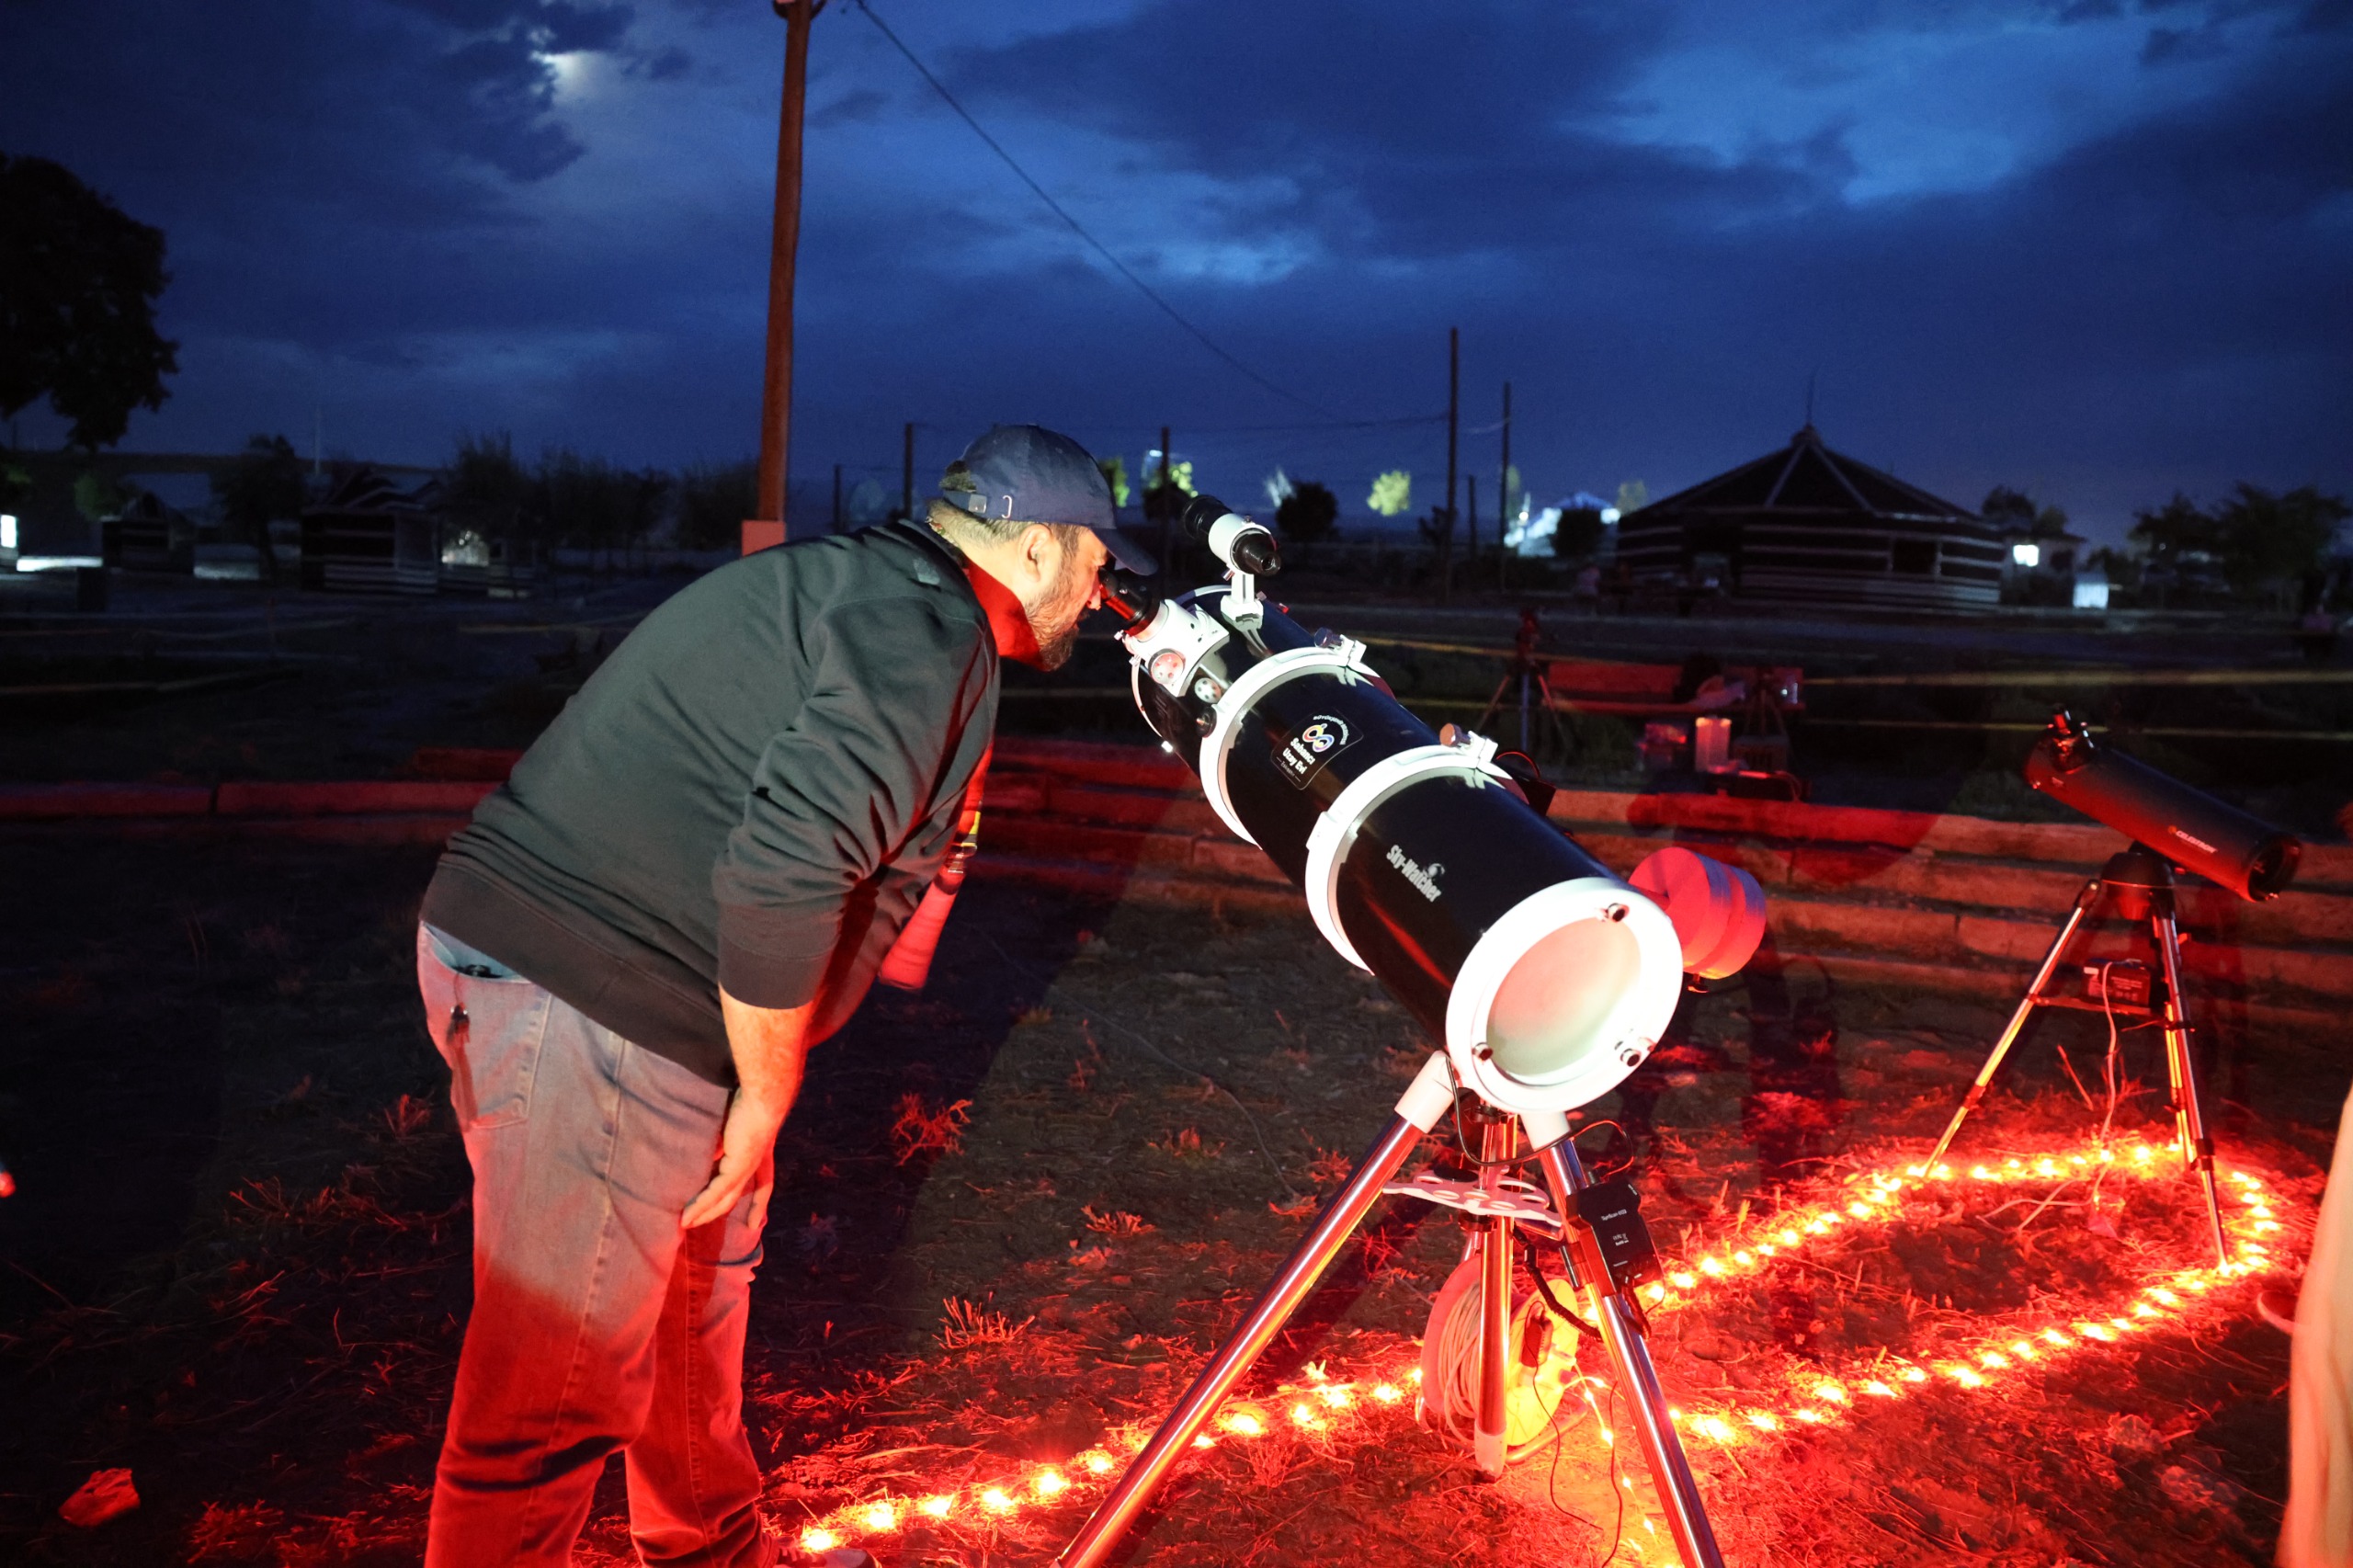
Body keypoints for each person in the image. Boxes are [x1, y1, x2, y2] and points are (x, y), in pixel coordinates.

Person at [412, 426, 1152, 1566]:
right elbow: (788, 864)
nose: (1105, 592)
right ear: (1044, 544)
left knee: (694, 1293)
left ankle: (712, 1545)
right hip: (600, 987)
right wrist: (769, 1083)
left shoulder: (884, 595)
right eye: (1099, 559)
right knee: (557, 1385)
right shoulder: (925, 630)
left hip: (637, 992)